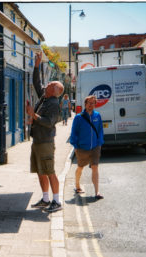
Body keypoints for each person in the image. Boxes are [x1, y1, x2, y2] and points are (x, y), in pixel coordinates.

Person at [26, 52, 65, 213]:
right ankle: (45, 199)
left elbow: (49, 123)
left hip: (46, 142)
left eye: (50, 85)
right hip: (38, 140)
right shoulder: (45, 97)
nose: (47, 84)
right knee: (40, 171)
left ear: (55, 91)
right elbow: (37, 82)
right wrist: (37, 64)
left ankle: (56, 201)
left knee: (49, 171)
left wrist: (32, 115)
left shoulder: (54, 104)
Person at [70, 95, 104, 200]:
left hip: (95, 147)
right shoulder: (78, 117)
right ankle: (77, 185)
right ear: (85, 104)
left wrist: (99, 143)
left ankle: (97, 192)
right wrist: (75, 146)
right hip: (81, 147)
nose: (91, 105)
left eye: (93, 103)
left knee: (95, 167)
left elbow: (100, 130)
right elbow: (74, 132)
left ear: (95, 104)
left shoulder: (97, 116)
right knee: (80, 167)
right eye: (89, 103)